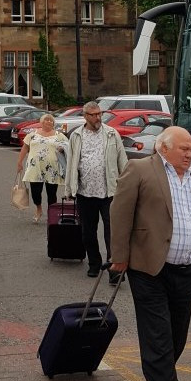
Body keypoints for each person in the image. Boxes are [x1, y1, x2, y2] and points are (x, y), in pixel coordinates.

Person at [109, 126, 191, 381]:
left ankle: (162, 380)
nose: (189, 153)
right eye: (184, 148)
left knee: (177, 334)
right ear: (164, 147)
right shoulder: (140, 169)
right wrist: (120, 256)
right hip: (148, 267)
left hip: (187, 268)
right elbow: (120, 213)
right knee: (158, 334)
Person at [65, 101, 128, 283]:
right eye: (93, 114)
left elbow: (122, 162)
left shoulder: (111, 133)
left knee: (113, 233)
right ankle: (94, 263)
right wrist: (69, 189)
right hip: (85, 193)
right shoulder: (76, 136)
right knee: (88, 232)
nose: (98, 117)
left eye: (99, 113)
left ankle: (114, 270)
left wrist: (127, 187)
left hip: (110, 193)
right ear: (85, 116)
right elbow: (71, 164)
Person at [16, 113, 69, 223]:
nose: (49, 122)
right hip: (35, 168)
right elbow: (25, 148)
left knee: (51, 193)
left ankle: (51, 212)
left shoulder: (60, 136)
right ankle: (39, 209)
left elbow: (68, 149)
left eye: (51, 120)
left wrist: (62, 150)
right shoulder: (32, 135)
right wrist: (19, 162)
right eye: (47, 120)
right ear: (41, 122)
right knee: (35, 192)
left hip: (52, 169)